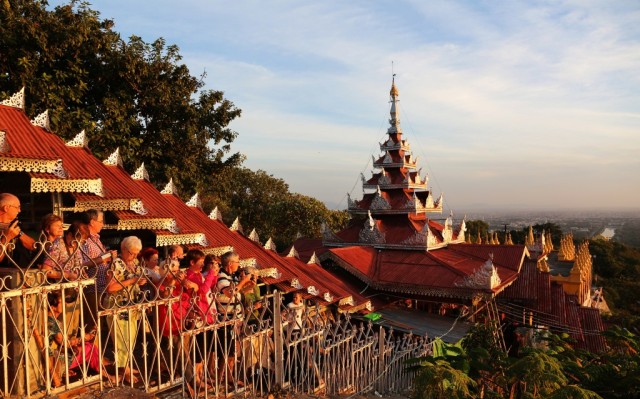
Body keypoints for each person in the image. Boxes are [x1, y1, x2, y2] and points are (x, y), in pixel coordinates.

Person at [105, 236, 146, 384]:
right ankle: (124, 370)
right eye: (132, 253)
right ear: (124, 249)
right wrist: (132, 281)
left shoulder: (134, 262)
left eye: (137, 253)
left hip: (132, 306)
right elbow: (111, 288)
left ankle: (126, 366)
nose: (134, 256)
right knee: (121, 340)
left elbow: (136, 279)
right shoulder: (116, 264)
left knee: (130, 339)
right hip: (118, 306)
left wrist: (140, 281)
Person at [216, 251, 252, 388]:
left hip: (235, 318)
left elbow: (239, 291)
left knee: (232, 352)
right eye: (237, 262)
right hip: (225, 319)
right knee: (226, 351)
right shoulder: (221, 276)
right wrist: (243, 281)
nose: (239, 264)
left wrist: (249, 284)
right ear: (230, 263)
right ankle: (220, 380)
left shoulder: (232, 277)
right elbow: (230, 292)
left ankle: (230, 377)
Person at [0, 193, 36, 267]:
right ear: (6, 208)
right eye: (17, 207)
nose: (19, 210)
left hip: (22, 273)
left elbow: (34, 246)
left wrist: (19, 233)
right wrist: (7, 237)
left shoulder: (13, 225)